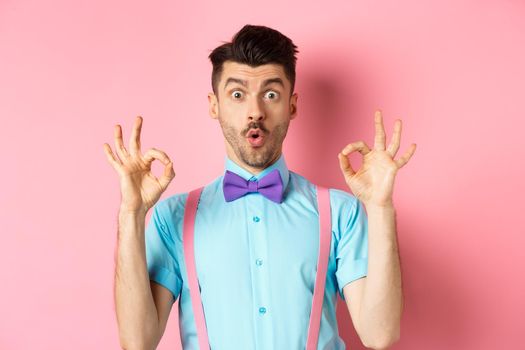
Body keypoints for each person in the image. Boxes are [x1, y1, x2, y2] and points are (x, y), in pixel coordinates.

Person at [103, 24, 416, 350]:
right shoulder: (174, 218)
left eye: (271, 94)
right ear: (215, 105)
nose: (255, 112)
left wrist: (380, 208)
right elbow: (137, 341)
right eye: (237, 95)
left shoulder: (340, 212)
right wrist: (131, 214)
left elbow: (379, 334)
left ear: (292, 106)